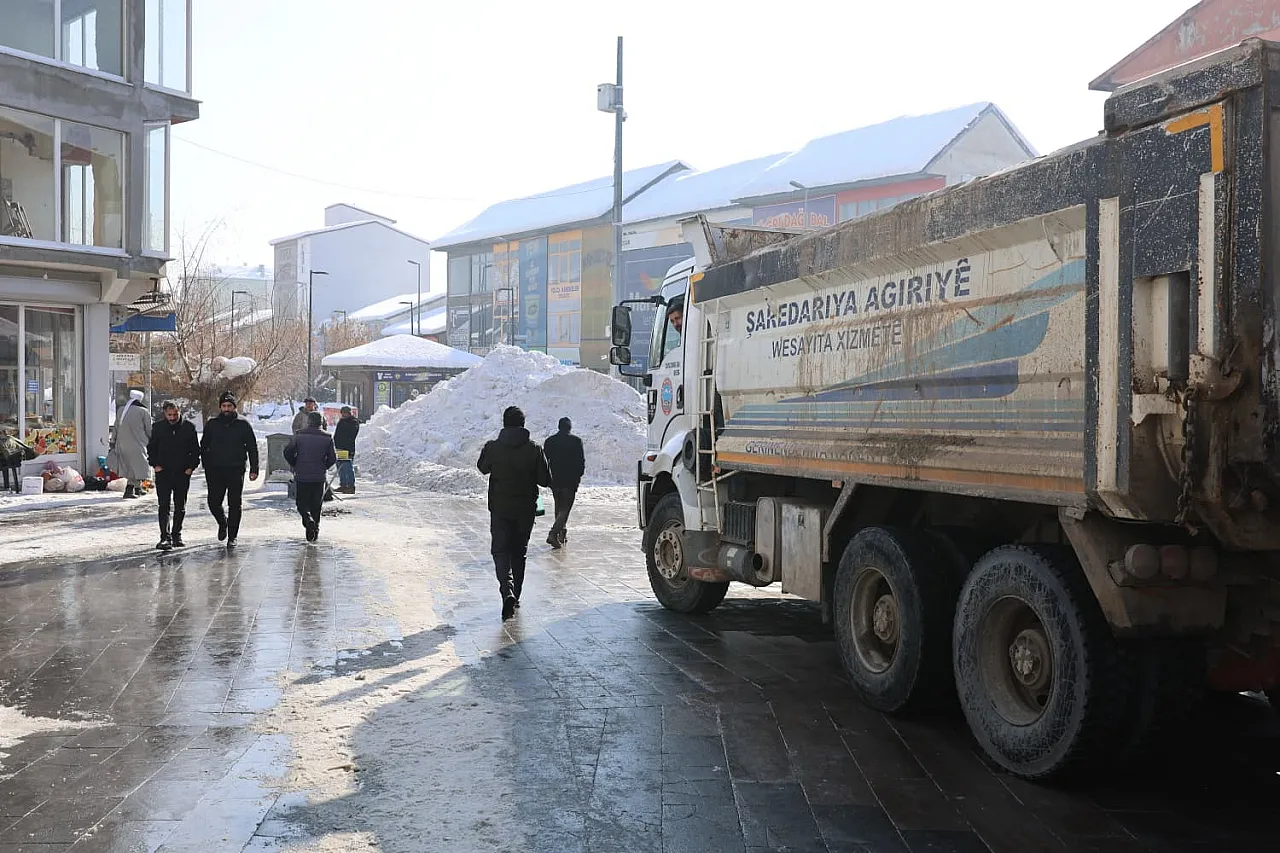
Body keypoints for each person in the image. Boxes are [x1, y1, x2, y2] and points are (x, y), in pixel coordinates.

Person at [477, 406, 552, 620]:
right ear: (523, 424)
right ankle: (516, 596)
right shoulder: (534, 449)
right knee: (519, 552)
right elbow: (545, 480)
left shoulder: (494, 447)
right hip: (525, 510)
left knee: (500, 551)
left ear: (504, 423)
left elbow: (482, 467)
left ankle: (506, 591)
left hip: (500, 508)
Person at [200, 391, 259, 547]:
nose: (226, 409)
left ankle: (232, 536)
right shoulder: (212, 424)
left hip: (236, 469)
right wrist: (206, 464)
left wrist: (254, 468)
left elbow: (252, 448)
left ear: (234, 407)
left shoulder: (243, 424)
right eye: (224, 406)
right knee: (214, 502)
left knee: (234, 504)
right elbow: (204, 446)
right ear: (220, 407)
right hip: (215, 470)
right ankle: (222, 522)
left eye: (229, 406)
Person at [147, 401, 200, 550]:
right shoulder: (158, 428)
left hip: (182, 472)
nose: (172, 417)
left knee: (180, 505)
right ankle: (165, 536)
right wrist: (155, 464)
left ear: (179, 412)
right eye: (169, 415)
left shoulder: (188, 428)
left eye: (175, 414)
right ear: (165, 413)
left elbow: (195, 450)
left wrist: (191, 467)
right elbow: (151, 448)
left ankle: (177, 534)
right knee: (164, 505)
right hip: (163, 472)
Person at [284, 411, 337, 542]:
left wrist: (295, 463)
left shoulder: (299, 435)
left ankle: (307, 520)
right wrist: (323, 466)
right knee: (316, 504)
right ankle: (315, 531)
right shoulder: (327, 437)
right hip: (319, 477)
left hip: (302, 475)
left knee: (301, 503)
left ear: (308, 421)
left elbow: (287, 451)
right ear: (321, 423)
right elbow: (332, 458)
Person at [543, 417, 585, 549]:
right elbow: (580, 462)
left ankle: (562, 533)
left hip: (555, 480)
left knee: (559, 506)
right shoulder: (576, 441)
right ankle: (553, 533)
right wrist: (578, 476)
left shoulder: (550, 441)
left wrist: (547, 478)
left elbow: (544, 461)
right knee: (565, 509)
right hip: (570, 481)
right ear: (570, 427)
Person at [111, 390, 152, 500]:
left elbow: (116, 427)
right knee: (138, 466)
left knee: (131, 467)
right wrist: (152, 440)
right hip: (138, 443)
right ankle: (129, 489)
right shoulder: (143, 411)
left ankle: (138, 488)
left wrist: (113, 441)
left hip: (122, 443)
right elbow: (149, 429)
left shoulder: (121, 410)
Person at [333, 406, 359, 494]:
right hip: (340, 448)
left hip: (347, 449)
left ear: (349, 413)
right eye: (342, 413)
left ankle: (350, 486)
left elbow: (351, 434)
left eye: (345, 413)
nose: (344, 414)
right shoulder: (342, 421)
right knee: (340, 467)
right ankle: (343, 484)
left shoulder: (353, 422)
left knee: (347, 467)